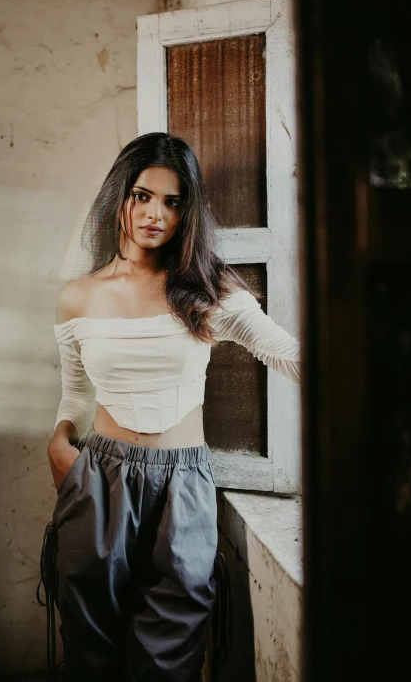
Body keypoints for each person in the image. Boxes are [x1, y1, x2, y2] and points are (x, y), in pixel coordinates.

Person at [43, 132, 300, 682]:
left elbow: (286, 354)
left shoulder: (207, 289)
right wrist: (60, 443)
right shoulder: (78, 296)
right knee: (90, 652)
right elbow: (78, 393)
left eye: (172, 201)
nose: (154, 214)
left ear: (189, 211)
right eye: (142, 195)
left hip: (183, 483)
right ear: (119, 198)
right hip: (98, 478)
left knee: (170, 656)